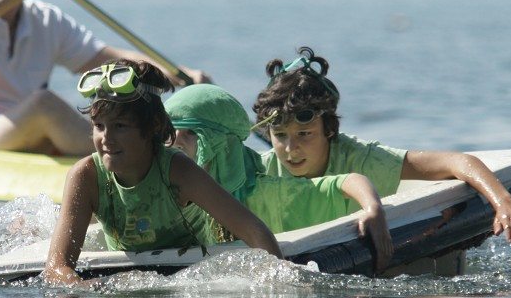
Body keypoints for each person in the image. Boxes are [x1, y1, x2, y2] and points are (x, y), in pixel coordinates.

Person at [253, 46, 511, 245]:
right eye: (280, 135)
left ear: (329, 129)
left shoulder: (361, 158)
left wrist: (503, 202)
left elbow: (459, 162)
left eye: (304, 134)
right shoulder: (260, 170)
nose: (291, 149)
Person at [42, 60, 282, 286]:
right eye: (99, 126)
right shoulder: (85, 176)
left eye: (120, 126)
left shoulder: (179, 171)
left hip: (186, 278)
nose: (106, 138)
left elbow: (254, 230)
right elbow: (56, 268)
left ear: (154, 126)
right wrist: (86, 288)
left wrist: (279, 285)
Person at [0, 0, 209, 156]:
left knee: (117, 102)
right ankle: (151, 154)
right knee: (44, 105)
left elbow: (107, 59)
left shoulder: (46, 19)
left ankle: (150, 151)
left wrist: (179, 74)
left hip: (22, 138)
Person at [165, 84, 394, 270]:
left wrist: (374, 209)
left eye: (192, 133)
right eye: (169, 132)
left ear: (223, 147)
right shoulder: (152, 189)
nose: (176, 142)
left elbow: (348, 181)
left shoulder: (267, 194)